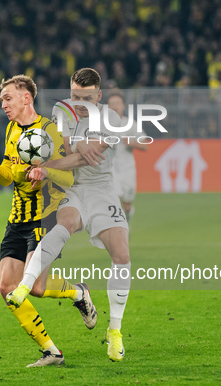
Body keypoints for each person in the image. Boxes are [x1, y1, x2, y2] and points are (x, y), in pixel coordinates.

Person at [7, 68, 131, 362]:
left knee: (122, 254)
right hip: (72, 188)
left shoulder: (111, 120)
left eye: (86, 98)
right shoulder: (61, 110)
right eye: (75, 96)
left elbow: (81, 157)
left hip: (101, 190)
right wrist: (74, 146)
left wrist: (67, 154)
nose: (78, 103)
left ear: (99, 97)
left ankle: (114, 331)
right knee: (66, 223)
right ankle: (25, 285)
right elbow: (60, 149)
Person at [0, 74, 97, 367]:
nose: (4, 105)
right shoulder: (11, 130)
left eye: (8, 98)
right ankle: (52, 351)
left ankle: (78, 292)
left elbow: (69, 176)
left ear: (25, 98)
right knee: (7, 287)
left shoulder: (50, 131)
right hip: (17, 219)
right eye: (2, 100)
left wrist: (46, 172)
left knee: (35, 287)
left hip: (46, 217)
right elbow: (11, 174)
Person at [108, 90, 148, 223]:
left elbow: (145, 145)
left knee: (127, 204)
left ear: (123, 105)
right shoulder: (102, 125)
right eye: (111, 103)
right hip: (110, 169)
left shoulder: (130, 124)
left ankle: (127, 221)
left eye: (117, 103)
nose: (114, 106)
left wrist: (132, 143)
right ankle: (118, 228)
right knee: (113, 200)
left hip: (127, 169)